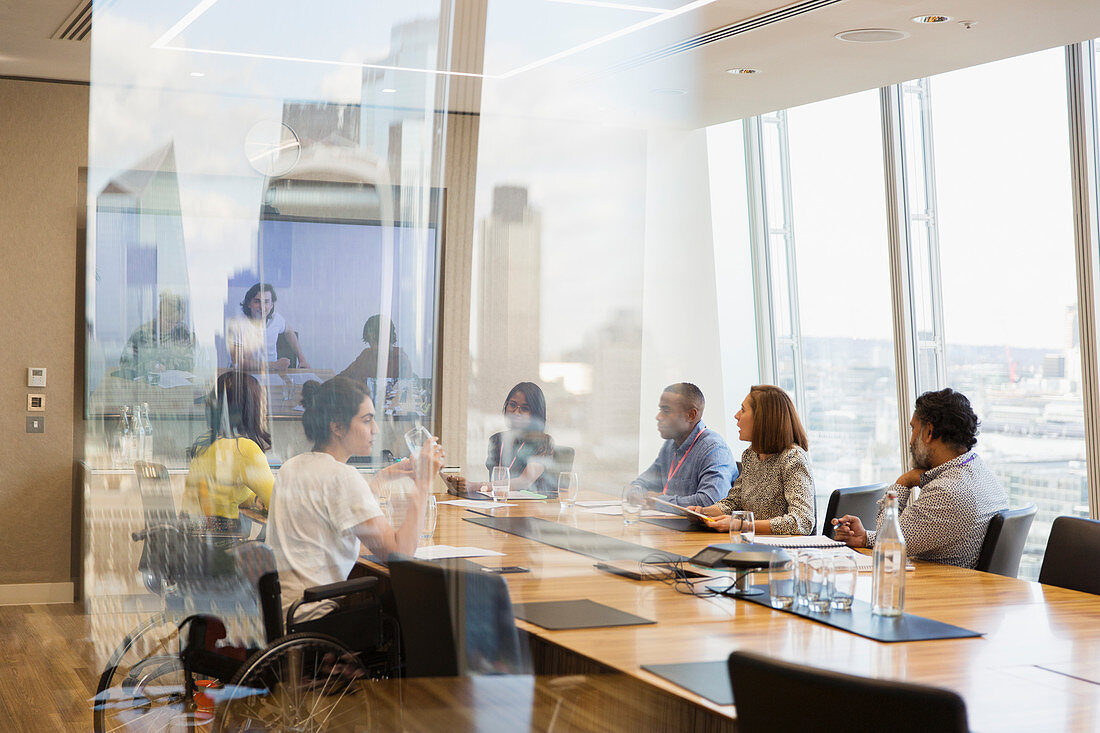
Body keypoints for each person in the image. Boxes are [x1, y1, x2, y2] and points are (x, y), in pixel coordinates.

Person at [266, 376, 444, 620]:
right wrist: (423, 484)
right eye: (367, 420)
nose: (376, 429)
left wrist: (381, 479)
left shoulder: (292, 466)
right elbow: (401, 555)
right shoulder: (342, 477)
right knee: (422, 597)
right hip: (315, 617)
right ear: (337, 426)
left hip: (284, 613)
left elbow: (338, 513)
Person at [832, 388, 1009, 568]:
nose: (910, 440)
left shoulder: (947, 491)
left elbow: (888, 540)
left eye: (913, 429)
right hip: (962, 587)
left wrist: (903, 482)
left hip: (939, 589)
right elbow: (913, 536)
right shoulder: (980, 473)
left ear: (928, 432)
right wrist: (864, 538)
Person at [690, 385, 815, 535]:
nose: (736, 415)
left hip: (782, 552)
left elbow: (802, 521)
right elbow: (734, 502)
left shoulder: (793, 458)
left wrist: (743, 525)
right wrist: (703, 512)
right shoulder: (750, 455)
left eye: (743, 410)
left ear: (762, 418)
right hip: (753, 545)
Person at [181, 371, 274, 536]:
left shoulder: (205, 443)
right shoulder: (244, 449)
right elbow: (277, 502)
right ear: (251, 409)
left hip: (193, 539)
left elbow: (225, 493)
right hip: (222, 545)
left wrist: (253, 499)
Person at [630, 383, 736, 507]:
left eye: (666, 411)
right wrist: (636, 492)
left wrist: (660, 501)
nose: (658, 417)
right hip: (670, 524)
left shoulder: (714, 449)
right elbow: (642, 482)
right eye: (660, 410)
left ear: (691, 415)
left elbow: (711, 501)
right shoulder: (670, 445)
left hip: (697, 527)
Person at [444, 382, 557, 497]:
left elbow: (524, 481)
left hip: (532, 506)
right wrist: (462, 487)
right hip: (499, 502)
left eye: (525, 408)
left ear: (536, 413)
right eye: (512, 405)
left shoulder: (543, 441)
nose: (516, 412)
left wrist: (475, 486)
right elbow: (496, 480)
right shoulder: (497, 439)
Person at [227, 282, 310, 371]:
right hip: (246, 374)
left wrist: (302, 359)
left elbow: (289, 332)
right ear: (249, 304)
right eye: (257, 301)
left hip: (272, 374)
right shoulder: (237, 323)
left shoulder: (276, 319)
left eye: (266, 302)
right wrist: (274, 365)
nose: (262, 307)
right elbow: (237, 362)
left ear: (271, 305)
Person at [118, 292, 195, 377]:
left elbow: (190, 362)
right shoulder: (141, 334)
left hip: (176, 387)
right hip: (147, 386)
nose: (173, 326)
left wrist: (165, 365)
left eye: (176, 322)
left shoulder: (182, 332)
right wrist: (148, 366)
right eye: (169, 321)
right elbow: (125, 365)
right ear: (159, 314)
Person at [339, 315, 417, 383]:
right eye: (370, 342)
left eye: (376, 341)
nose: (374, 347)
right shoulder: (366, 355)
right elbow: (343, 378)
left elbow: (403, 394)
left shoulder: (401, 361)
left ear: (388, 339)